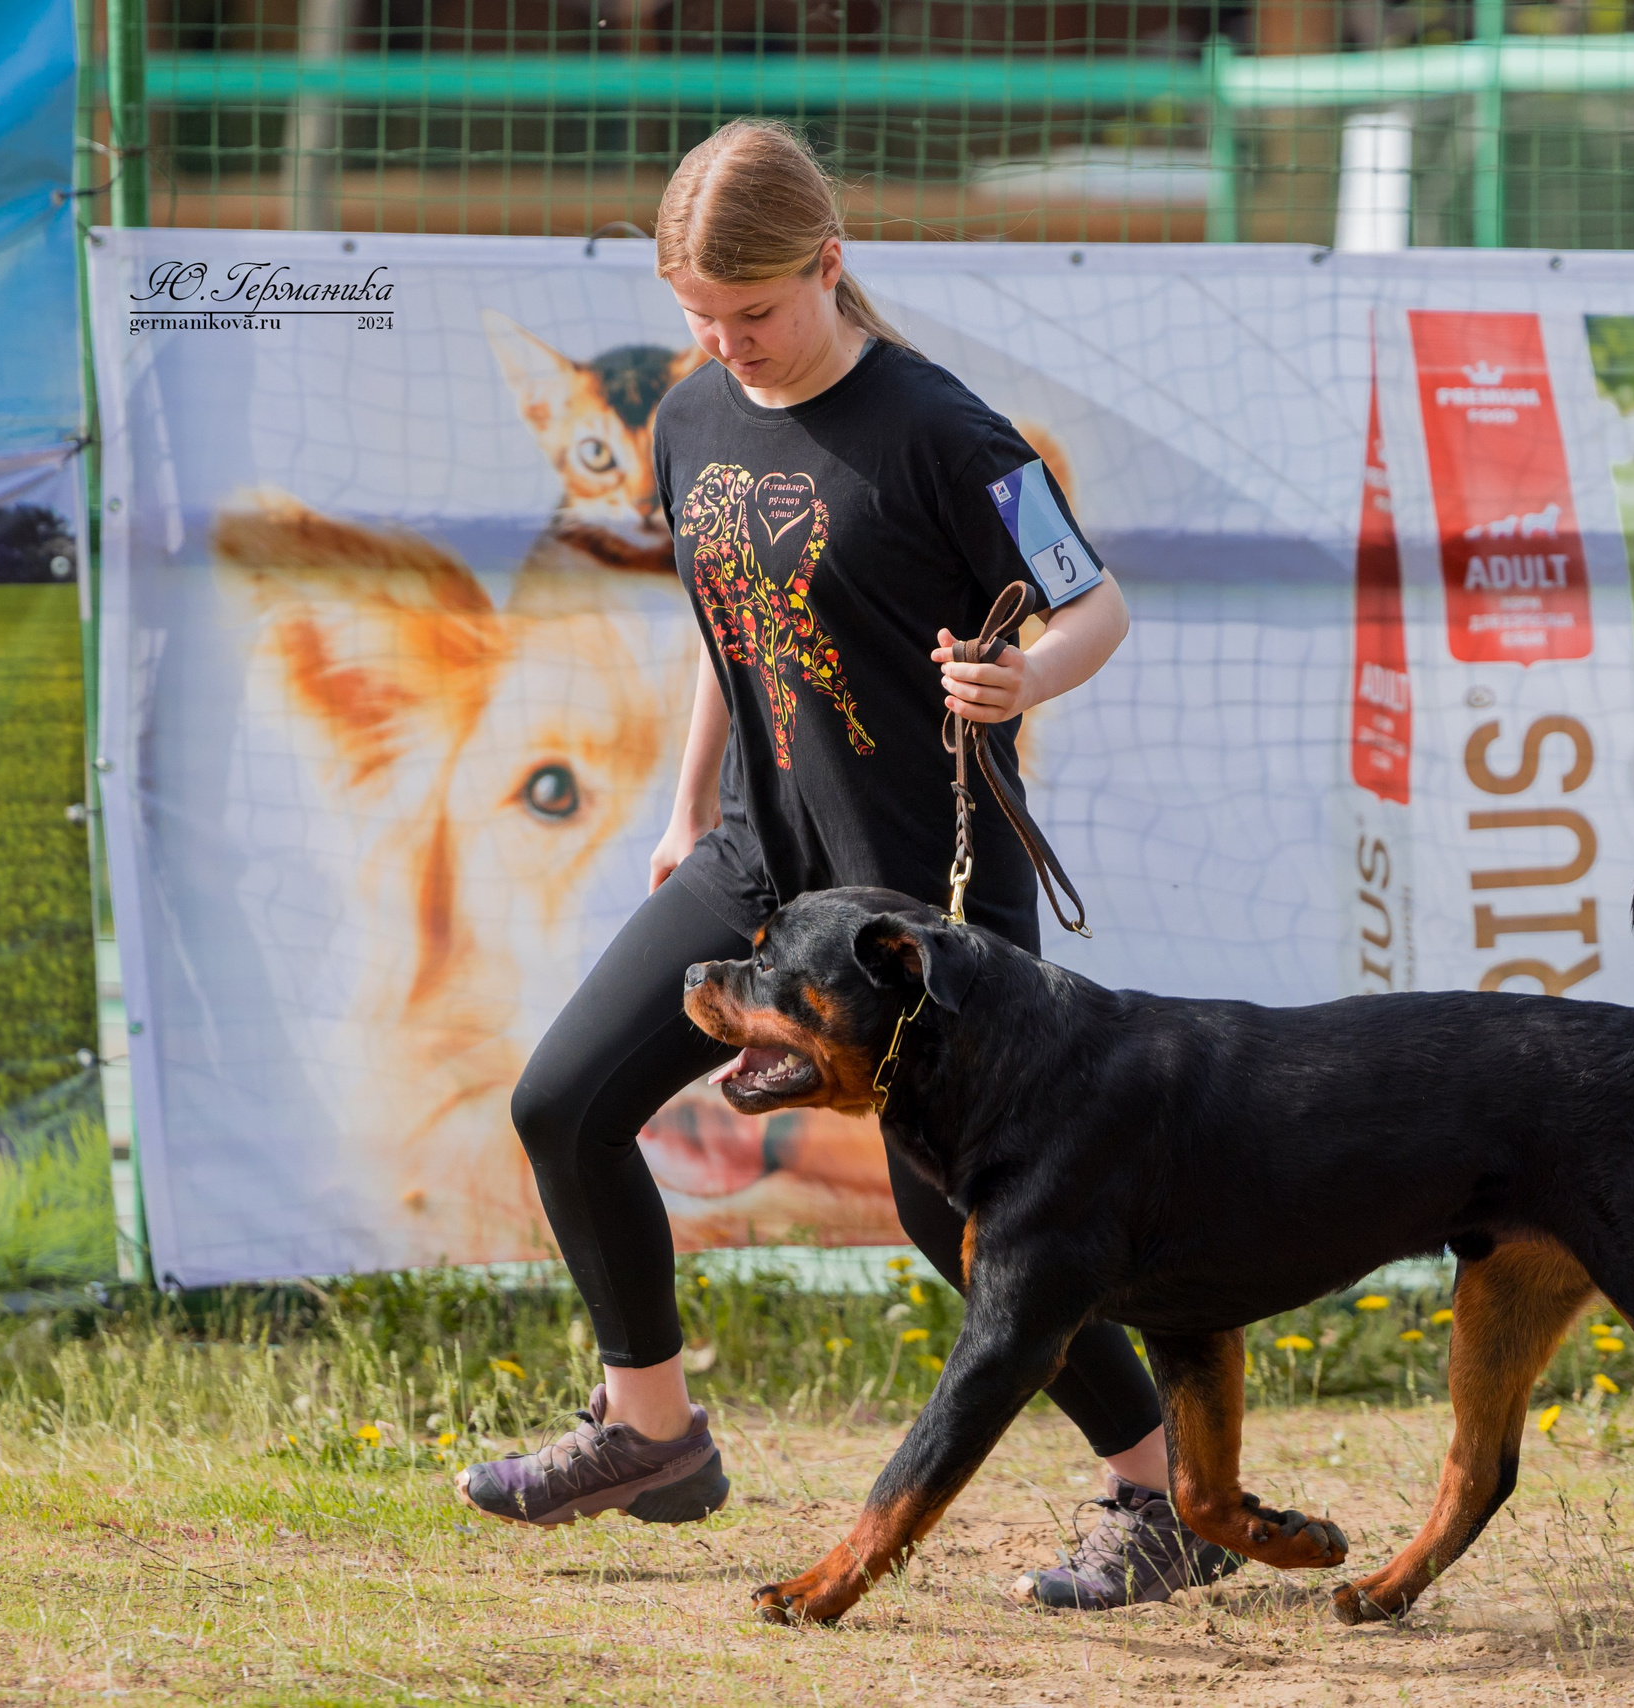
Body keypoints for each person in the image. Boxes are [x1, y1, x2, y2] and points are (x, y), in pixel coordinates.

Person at [461, 119, 1239, 1610]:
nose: (727, 342)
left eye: (753, 311)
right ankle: (652, 1434)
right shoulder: (691, 416)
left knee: (962, 1224)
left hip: (920, 906)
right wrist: (685, 809)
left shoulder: (946, 433)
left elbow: (1094, 607)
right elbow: (729, 627)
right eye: (700, 315)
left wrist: (1027, 682)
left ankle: (1165, 1501)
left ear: (830, 264)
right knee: (565, 1104)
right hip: (761, 856)